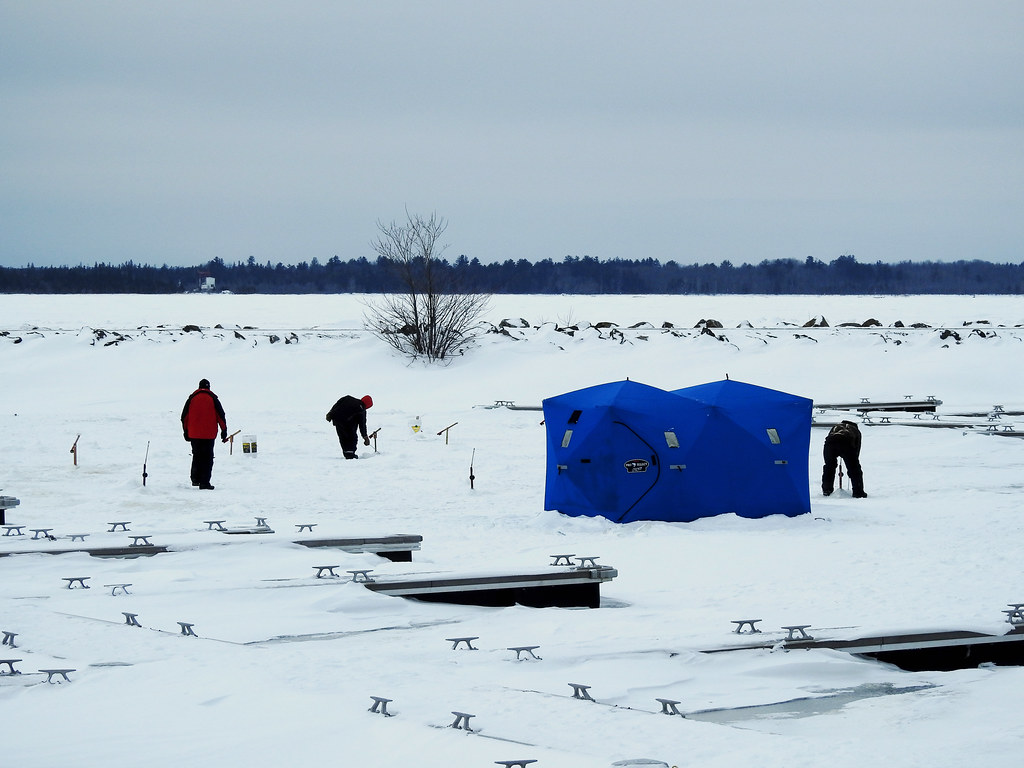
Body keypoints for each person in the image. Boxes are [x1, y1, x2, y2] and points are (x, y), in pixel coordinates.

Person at [181, 378, 228, 489]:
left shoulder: (192, 398)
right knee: (207, 458)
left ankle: (195, 479)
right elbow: (221, 416)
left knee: (197, 456)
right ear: (209, 387)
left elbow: (184, 417)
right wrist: (224, 431)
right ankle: (204, 482)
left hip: (194, 434)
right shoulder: (213, 398)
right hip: (209, 435)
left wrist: (186, 432)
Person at [821, 420, 867, 498]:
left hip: (830, 443)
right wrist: (852, 462)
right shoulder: (856, 431)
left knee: (829, 466)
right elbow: (856, 450)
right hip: (846, 442)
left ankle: (827, 490)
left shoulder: (835, 427)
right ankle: (858, 492)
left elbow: (831, 437)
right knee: (854, 468)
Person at [326, 395, 373, 459]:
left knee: (342, 437)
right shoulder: (361, 410)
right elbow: (362, 425)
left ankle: (347, 453)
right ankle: (350, 454)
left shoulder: (348, 398)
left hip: (337, 419)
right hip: (346, 422)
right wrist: (365, 437)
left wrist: (330, 413)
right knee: (352, 437)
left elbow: (338, 403)